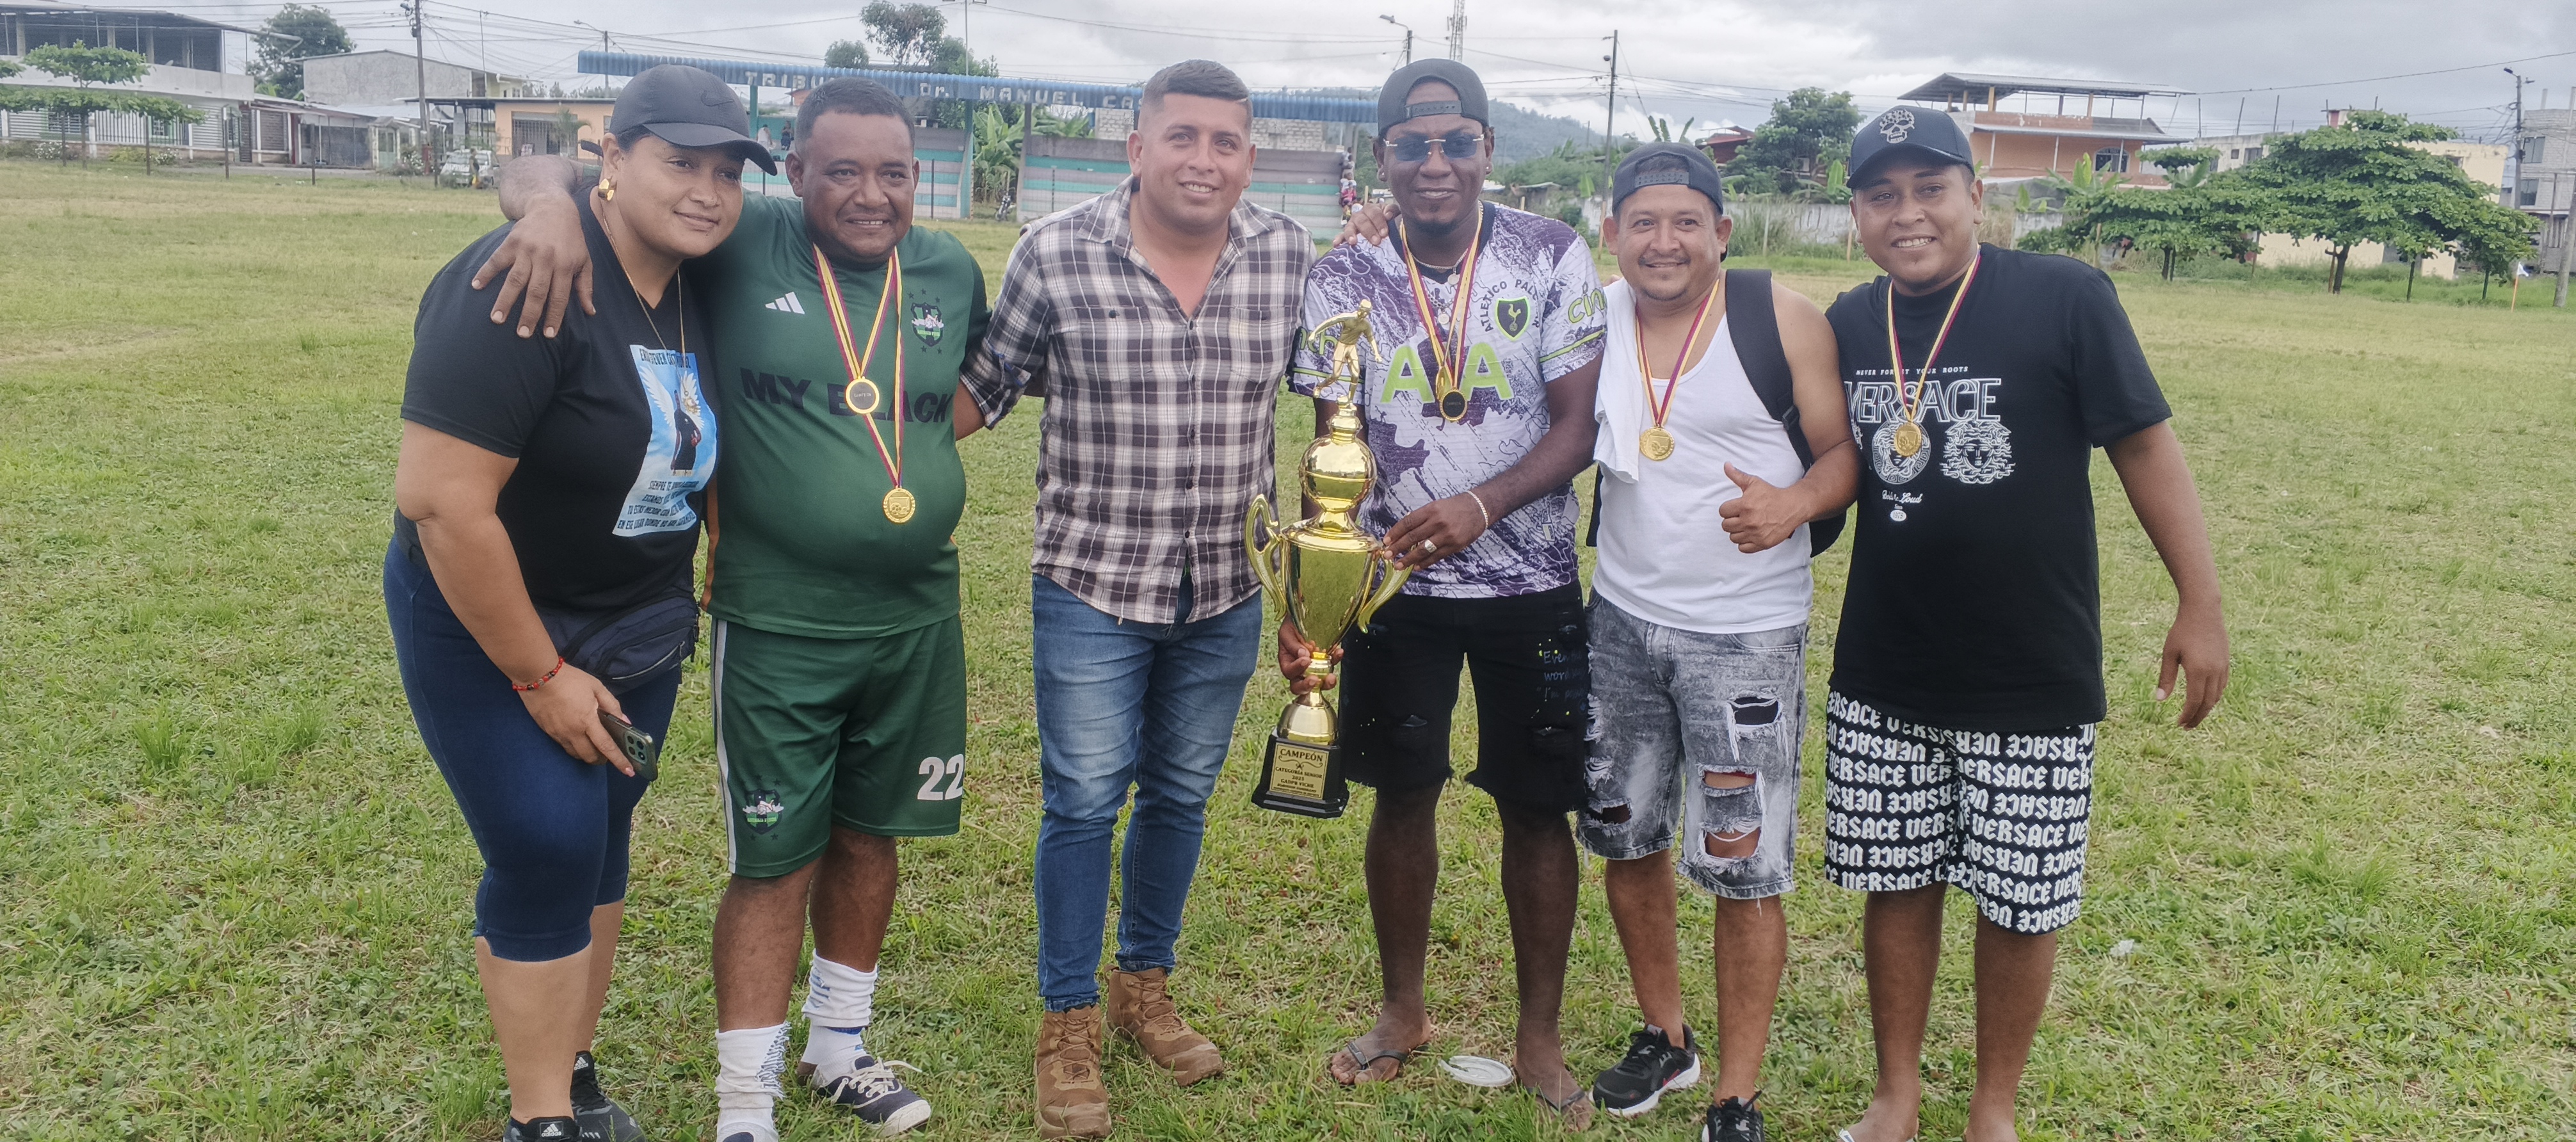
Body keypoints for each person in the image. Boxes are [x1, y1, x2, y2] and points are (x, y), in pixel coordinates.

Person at [476, 76, 990, 1141]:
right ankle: (745, 1104)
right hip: (778, 619)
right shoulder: (741, 239)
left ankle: (838, 1051)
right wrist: (547, 209)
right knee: (773, 858)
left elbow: (953, 391)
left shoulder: (947, 268)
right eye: (840, 171)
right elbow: (544, 165)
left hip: (916, 616)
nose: (871, 194)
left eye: (893, 172)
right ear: (793, 174)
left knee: (872, 838)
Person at [1821, 109, 2227, 1142]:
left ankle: (1992, 1111)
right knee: (1897, 883)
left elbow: (2144, 446)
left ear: (1975, 195)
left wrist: (2200, 601)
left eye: (1930, 190)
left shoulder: (2064, 296)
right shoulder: (1849, 321)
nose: (1908, 214)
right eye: (1882, 196)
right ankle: (1896, 1096)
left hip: (2032, 671)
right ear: (1858, 214)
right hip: (1885, 667)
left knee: (2021, 898)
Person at [388, 63, 766, 1142]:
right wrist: (541, 676)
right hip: (492, 619)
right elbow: (443, 504)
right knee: (548, 841)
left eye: (727, 172)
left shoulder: (702, 277)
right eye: (679, 163)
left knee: (601, 834)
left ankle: (572, 1067)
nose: (706, 192)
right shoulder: (524, 278)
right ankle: (542, 1118)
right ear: (615, 158)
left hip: (638, 618)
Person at [954, 60, 1313, 1140]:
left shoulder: (1290, 257)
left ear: (1250, 157)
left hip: (1226, 589)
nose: (1204, 160)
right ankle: (1067, 1020)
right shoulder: (1055, 251)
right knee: (1080, 802)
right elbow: (983, 390)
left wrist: (1316, 582)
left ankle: (1143, 988)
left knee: (1181, 798)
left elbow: (1337, 411)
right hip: (1093, 583)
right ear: (1138, 147)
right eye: (1183, 137)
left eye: (1226, 142)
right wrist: (849, 442)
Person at [1277, 58, 1607, 1127]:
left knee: (1538, 806)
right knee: (1401, 791)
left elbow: (1578, 428)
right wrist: (1311, 596)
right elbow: (1330, 444)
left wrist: (1483, 505)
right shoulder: (1345, 273)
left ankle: (1539, 1038)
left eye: (1457, 142)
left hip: (1532, 581)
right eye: (1413, 146)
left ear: (1487, 150)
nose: (1436, 163)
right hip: (1389, 586)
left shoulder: (1551, 253)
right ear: (1383, 158)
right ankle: (1403, 1011)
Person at [1579, 143, 1856, 1141]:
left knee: (1744, 865)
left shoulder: (1779, 317)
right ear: (1612, 234)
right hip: (1619, 620)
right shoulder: (1594, 313)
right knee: (1626, 835)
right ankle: (1667, 1036)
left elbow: (1842, 452)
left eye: (1686, 222)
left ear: (1722, 232)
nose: (1665, 242)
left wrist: (1793, 505)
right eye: (1643, 223)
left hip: (1744, 637)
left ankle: (1737, 1094)